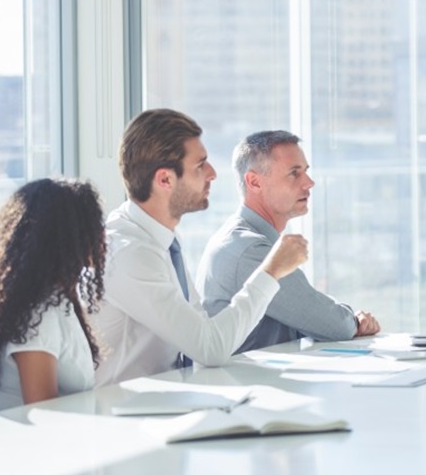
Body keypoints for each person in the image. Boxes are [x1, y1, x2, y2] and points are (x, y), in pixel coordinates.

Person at [93, 109, 308, 385]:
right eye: (200, 165)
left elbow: (202, 332)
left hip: (167, 400)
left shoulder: (161, 240)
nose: (213, 174)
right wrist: (271, 271)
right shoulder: (130, 253)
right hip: (124, 414)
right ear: (165, 180)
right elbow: (210, 348)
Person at [196, 130, 380, 352]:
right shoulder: (250, 248)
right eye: (294, 173)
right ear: (254, 182)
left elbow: (309, 309)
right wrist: (354, 321)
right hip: (249, 383)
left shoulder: (244, 237)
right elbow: (332, 324)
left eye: (306, 172)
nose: (309, 183)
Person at [0, 178, 106, 411]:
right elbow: (44, 416)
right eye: (94, 227)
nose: (102, 237)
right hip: (34, 444)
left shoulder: (56, 297)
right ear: (68, 238)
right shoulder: (39, 314)